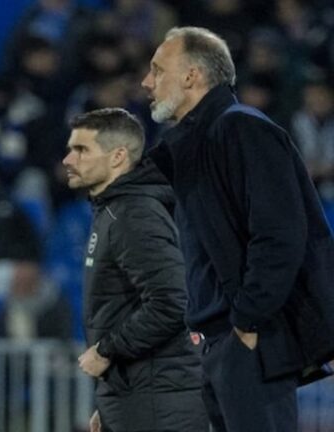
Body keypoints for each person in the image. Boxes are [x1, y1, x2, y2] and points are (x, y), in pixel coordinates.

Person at [141, 27, 334, 432]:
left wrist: (248, 321)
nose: (147, 82)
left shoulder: (242, 128)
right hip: (216, 341)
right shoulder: (192, 144)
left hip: (246, 338)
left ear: (192, 76)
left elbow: (280, 235)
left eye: (158, 70)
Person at [64, 107, 207, 432]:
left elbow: (172, 302)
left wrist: (106, 349)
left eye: (81, 150)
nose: (68, 160)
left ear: (117, 157)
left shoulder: (134, 214)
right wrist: (113, 402)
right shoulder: (115, 209)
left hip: (159, 399)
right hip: (140, 395)